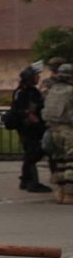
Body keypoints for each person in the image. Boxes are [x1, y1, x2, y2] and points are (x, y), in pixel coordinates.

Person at [45, 63, 73, 204]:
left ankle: (60, 194)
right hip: (68, 131)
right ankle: (69, 195)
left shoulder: (52, 90)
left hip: (53, 130)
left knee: (60, 163)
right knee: (71, 164)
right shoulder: (70, 91)